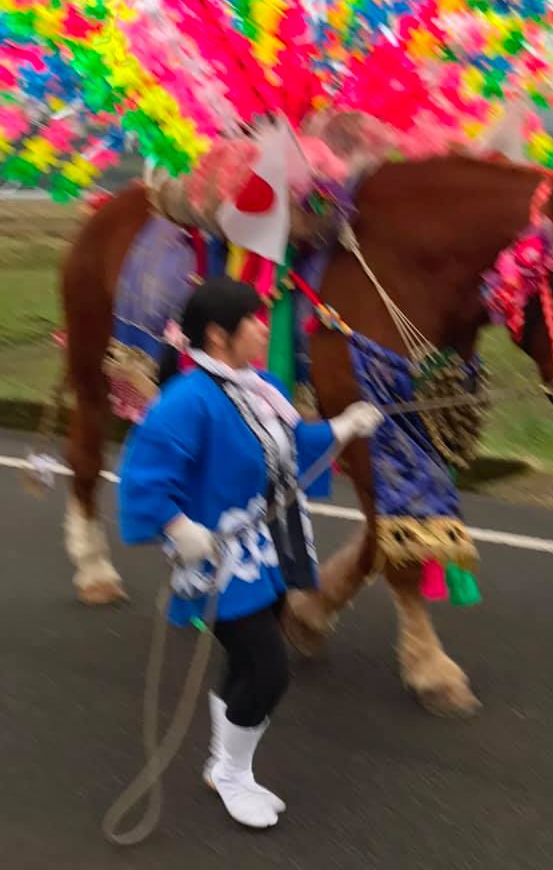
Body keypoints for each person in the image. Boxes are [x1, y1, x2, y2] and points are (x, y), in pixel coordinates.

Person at [118, 278, 382, 829]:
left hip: (267, 550)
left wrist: (342, 427)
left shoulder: (260, 384)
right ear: (219, 336)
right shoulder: (186, 402)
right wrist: (176, 524)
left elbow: (292, 443)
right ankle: (233, 772)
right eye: (255, 320)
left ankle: (225, 763)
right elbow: (142, 480)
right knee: (268, 671)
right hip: (217, 563)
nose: (265, 328)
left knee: (245, 660)